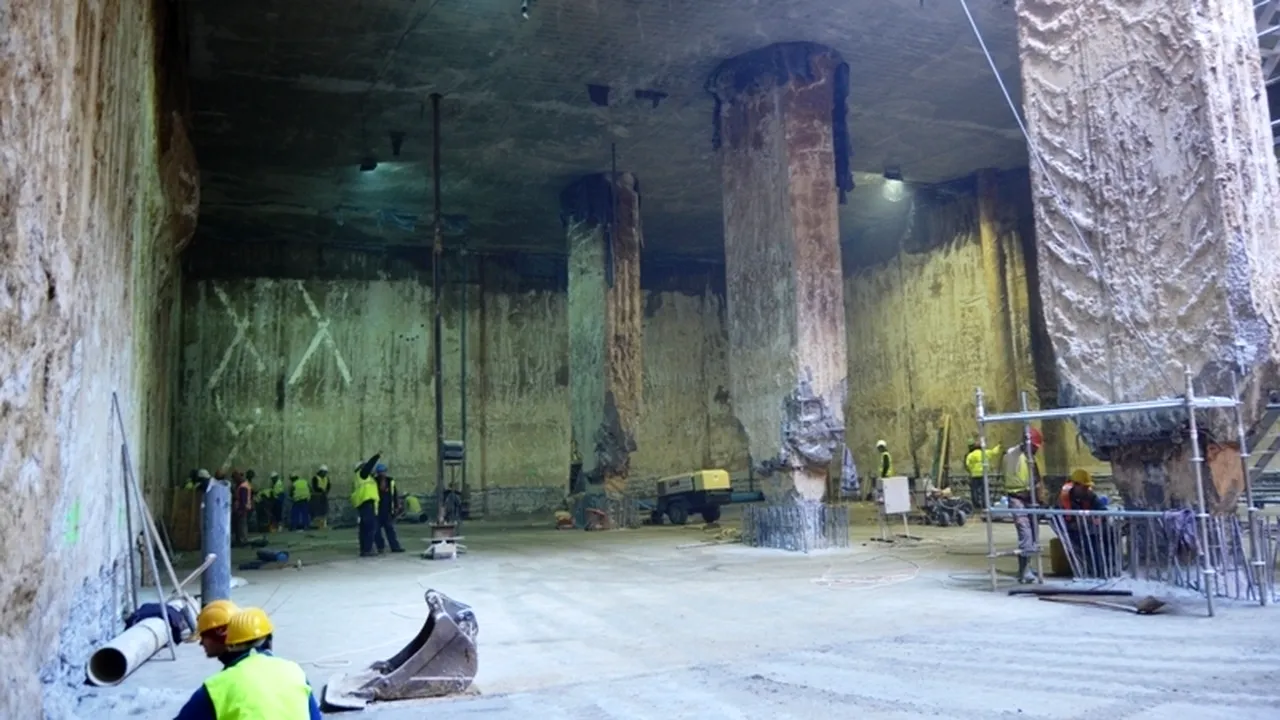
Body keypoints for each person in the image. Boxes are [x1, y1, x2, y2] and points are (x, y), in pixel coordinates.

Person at [173, 607, 321, 720]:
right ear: (270, 640)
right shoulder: (295, 672)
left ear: (229, 643)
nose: (201, 643)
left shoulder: (217, 687)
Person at [1002, 427, 1045, 584]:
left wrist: (1041, 499)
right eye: (1034, 446)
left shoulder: (1030, 457)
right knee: (1025, 532)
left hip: (1030, 498)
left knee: (1034, 533)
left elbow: (1036, 479)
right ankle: (1024, 571)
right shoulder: (1014, 454)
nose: (1036, 450)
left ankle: (1027, 566)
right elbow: (1012, 454)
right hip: (1017, 498)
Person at [1059, 468, 1106, 576]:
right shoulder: (1064, 498)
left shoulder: (1089, 495)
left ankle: (1101, 570)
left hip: (1089, 530)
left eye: (1087, 487)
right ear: (1075, 485)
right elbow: (1066, 520)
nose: (1086, 489)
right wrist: (1085, 521)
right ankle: (1093, 571)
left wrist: (1100, 518)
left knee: (1104, 539)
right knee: (1089, 545)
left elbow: (1103, 510)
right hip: (1072, 532)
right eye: (1084, 487)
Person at [352, 453, 382, 557]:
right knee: (370, 528)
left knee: (364, 528)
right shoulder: (362, 475)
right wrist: (377, 456)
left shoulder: (364, 477)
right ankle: (368, 549)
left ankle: (364, 549)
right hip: (367, 504)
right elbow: (369, 466)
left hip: (365, 504)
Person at [374, 463, 405, 553]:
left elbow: (394, 494)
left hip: (388, 510)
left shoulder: (390, 481)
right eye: (380, 472)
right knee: (376, 531)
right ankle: (380, 547)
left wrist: (397, 506)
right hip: (377, 510)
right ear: (377, 473)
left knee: (390, 529)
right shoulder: (374, 481)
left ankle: (395, 547)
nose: (382, 474)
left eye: (383, 472)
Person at [231, 471, 253, 547]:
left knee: (242, 525)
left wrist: (241, 510)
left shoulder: (243, 487)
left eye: (234, 479)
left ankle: (243, 541)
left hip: (242, 509)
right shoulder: (244, 485)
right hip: (244, 508)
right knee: (241, 525)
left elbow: (243, 500)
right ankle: (241, 540)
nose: (234, 481)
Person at [309, 465, 330, 529]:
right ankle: (317, 524)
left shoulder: (326, 478)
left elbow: (328, 485)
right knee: (317, 511)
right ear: (320, 471)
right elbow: (315, 487)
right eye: (324, 472)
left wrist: (326, 491)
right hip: (317, 496)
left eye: (326, 472)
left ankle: (323, 524)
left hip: (324, 495)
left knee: (324, 510)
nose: (325, 474)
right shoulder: (315, 478)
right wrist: (321, 490)